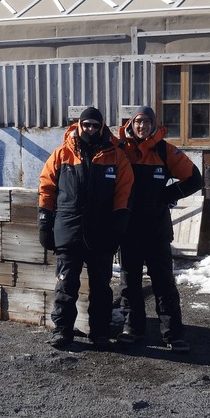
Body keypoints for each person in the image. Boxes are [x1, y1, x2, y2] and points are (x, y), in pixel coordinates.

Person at [37, 106, 133, 350]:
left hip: (101, 232)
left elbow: (124, 191)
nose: (90, 129)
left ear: (101, 128)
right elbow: (46, 188)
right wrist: (45, 221)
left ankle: (99, 332)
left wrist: (119, 222)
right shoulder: (62, 154)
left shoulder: (116, 156)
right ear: (79, 126)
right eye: (86, 124)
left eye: (95, 125)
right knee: (66, 284)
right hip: (68, 229)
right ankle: (62, 331)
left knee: (101, 286)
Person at [116, 105, 203, 353]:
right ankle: (132, 328)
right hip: (129, 229)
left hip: (156, 230)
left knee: (163, 283)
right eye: (138, 122)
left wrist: (168, 194)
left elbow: (195, 179)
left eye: (146, 122)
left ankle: (173, 334)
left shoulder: (166, 151)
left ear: (154, 125)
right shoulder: (122, 151)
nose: (142, 126)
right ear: (131, 124)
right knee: (129, 282)